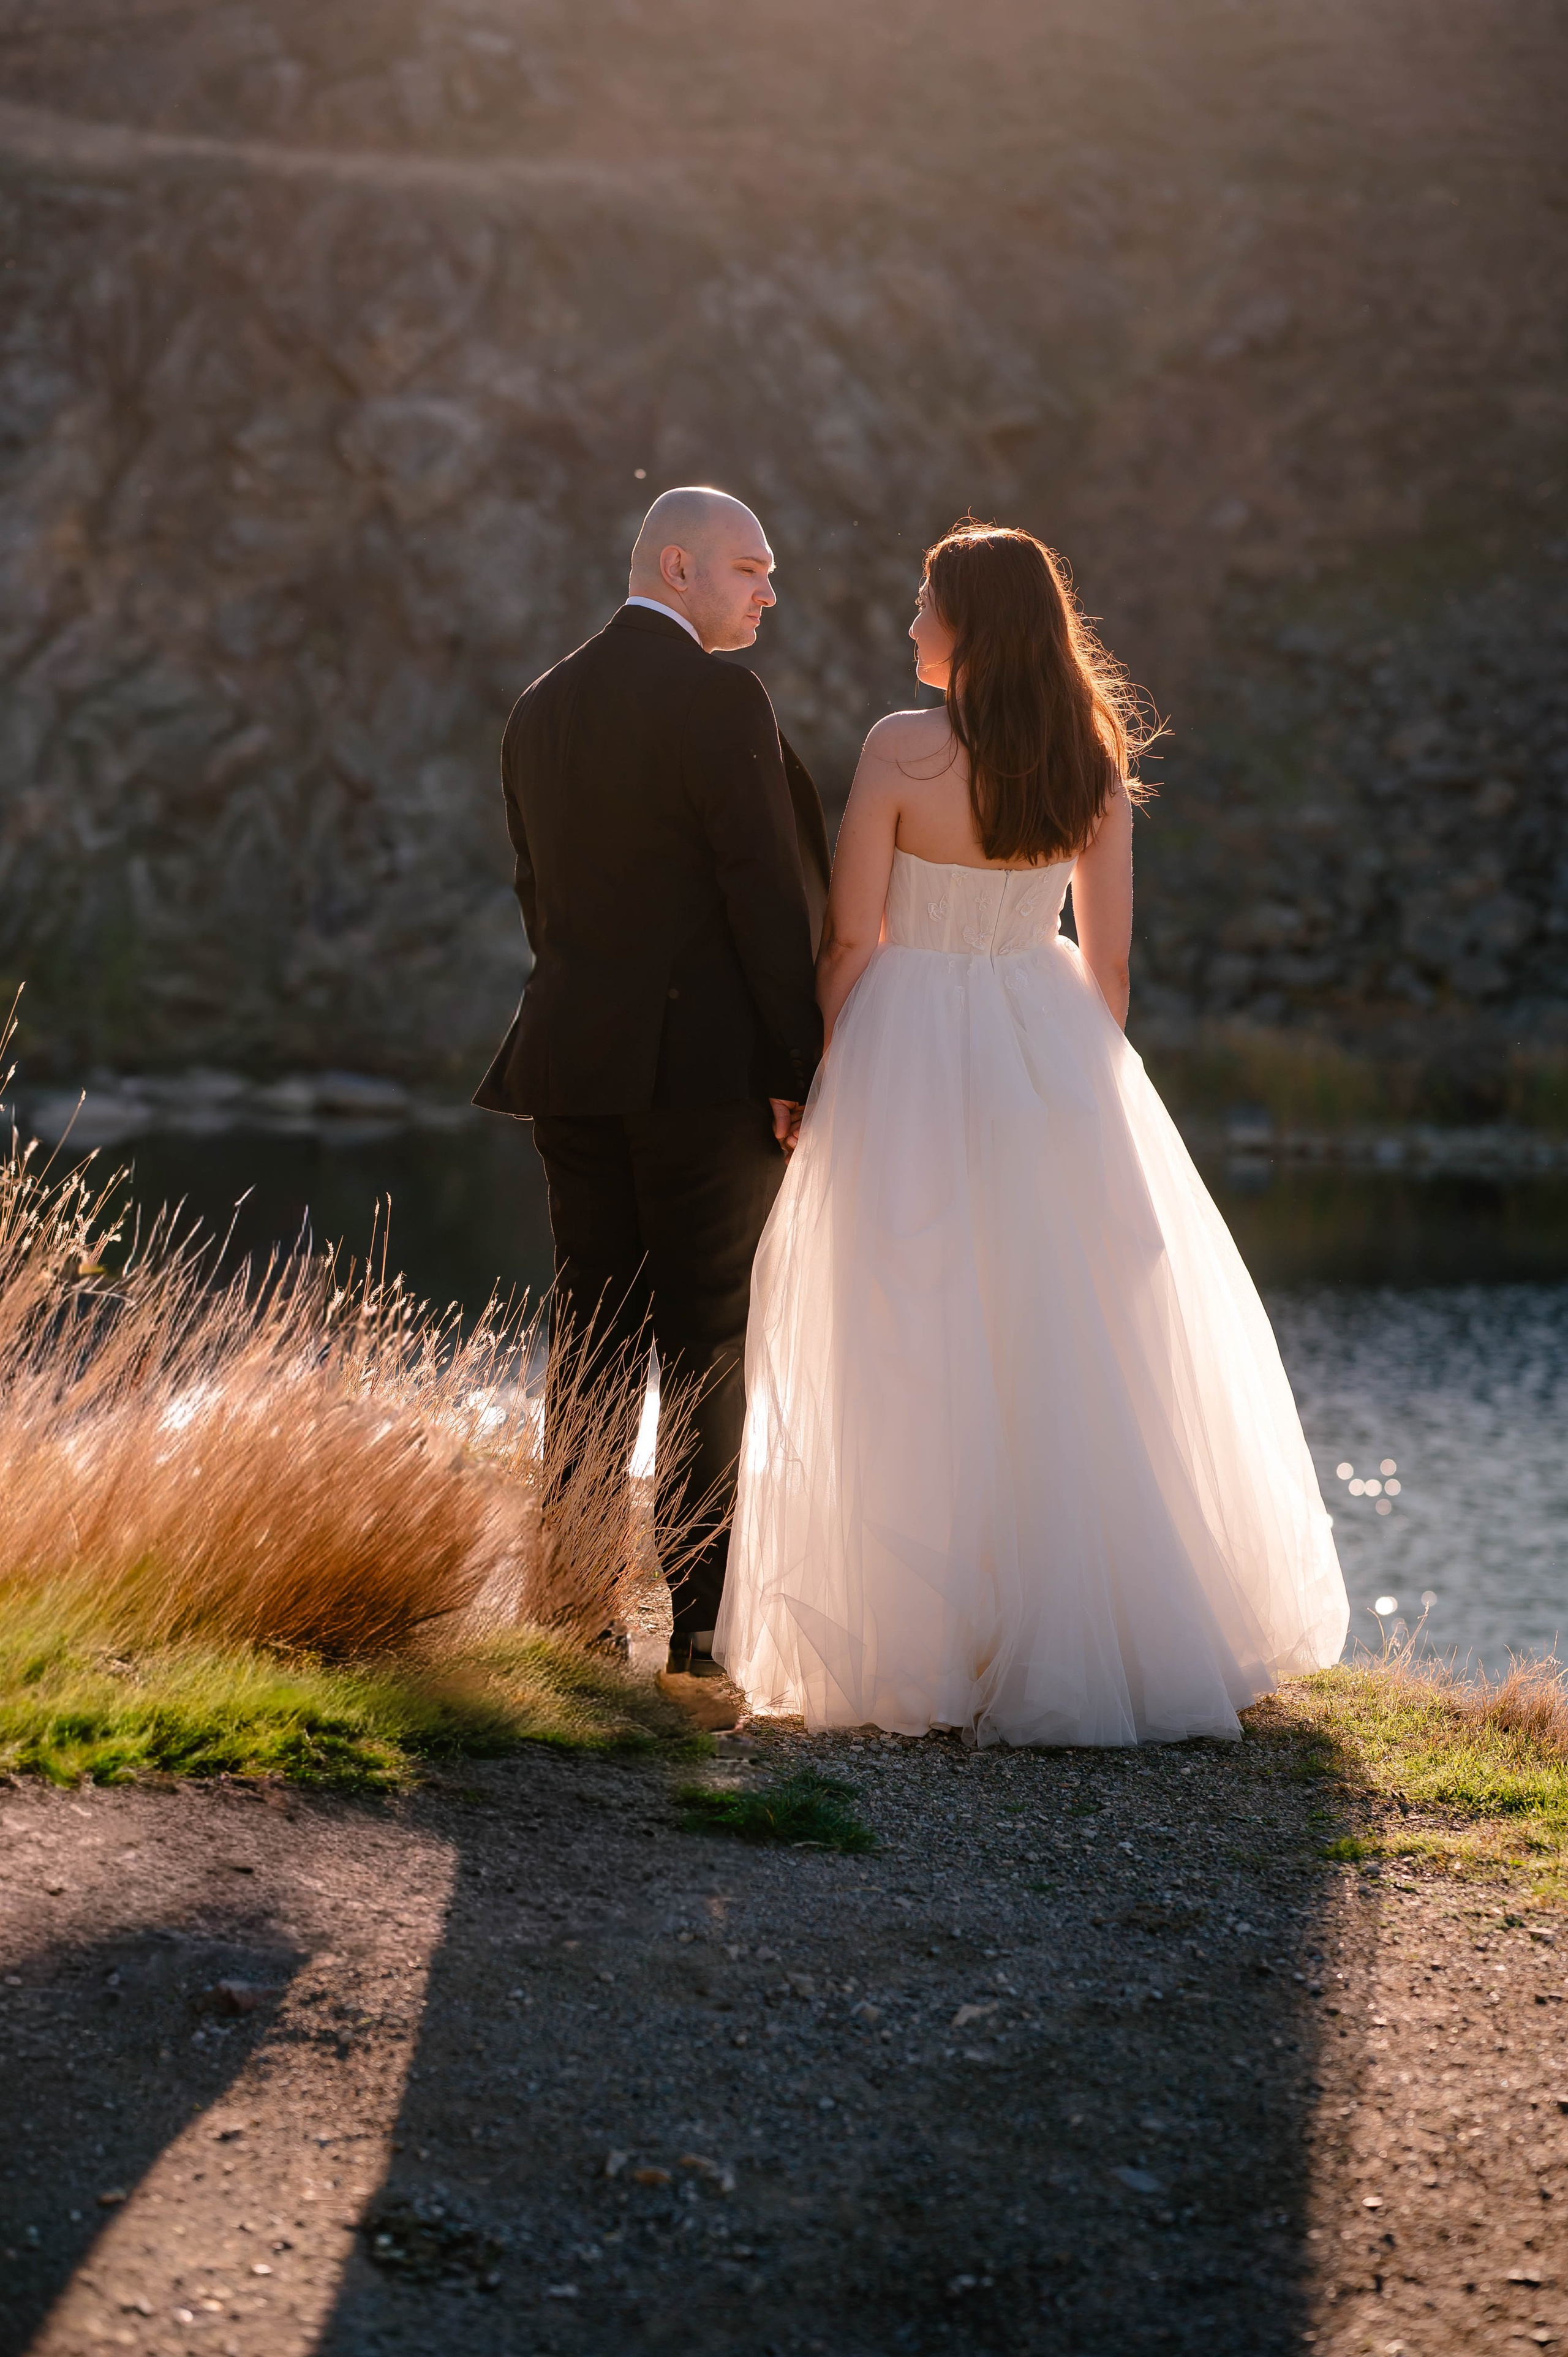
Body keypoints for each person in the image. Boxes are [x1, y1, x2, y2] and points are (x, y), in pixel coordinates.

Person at [715, 521, 1349, 1744]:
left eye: (923, 605)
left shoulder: (899, 754)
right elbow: (1107, 973)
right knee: (1053, 1336)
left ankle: (921, 1643)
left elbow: (849, 942)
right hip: (1039, 1041)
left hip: (905, 1040)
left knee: (905, 1322)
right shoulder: (1090, 766)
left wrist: (819, 1072)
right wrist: (1078, 1087)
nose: (908, 624)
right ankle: (1072, 1638)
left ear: (968, 625)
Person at [475, 487, 830, 1670]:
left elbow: (540, 901)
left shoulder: (539, 708)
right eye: (750, 568)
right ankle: (695, 1633)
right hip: (704, 1077)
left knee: (590, 1334)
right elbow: (765, 897)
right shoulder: (719, 699)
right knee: (706, 1341)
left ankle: (568, 1617)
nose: (768, 592)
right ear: (676, 566)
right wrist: (798, 1065)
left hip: (572, 1062)